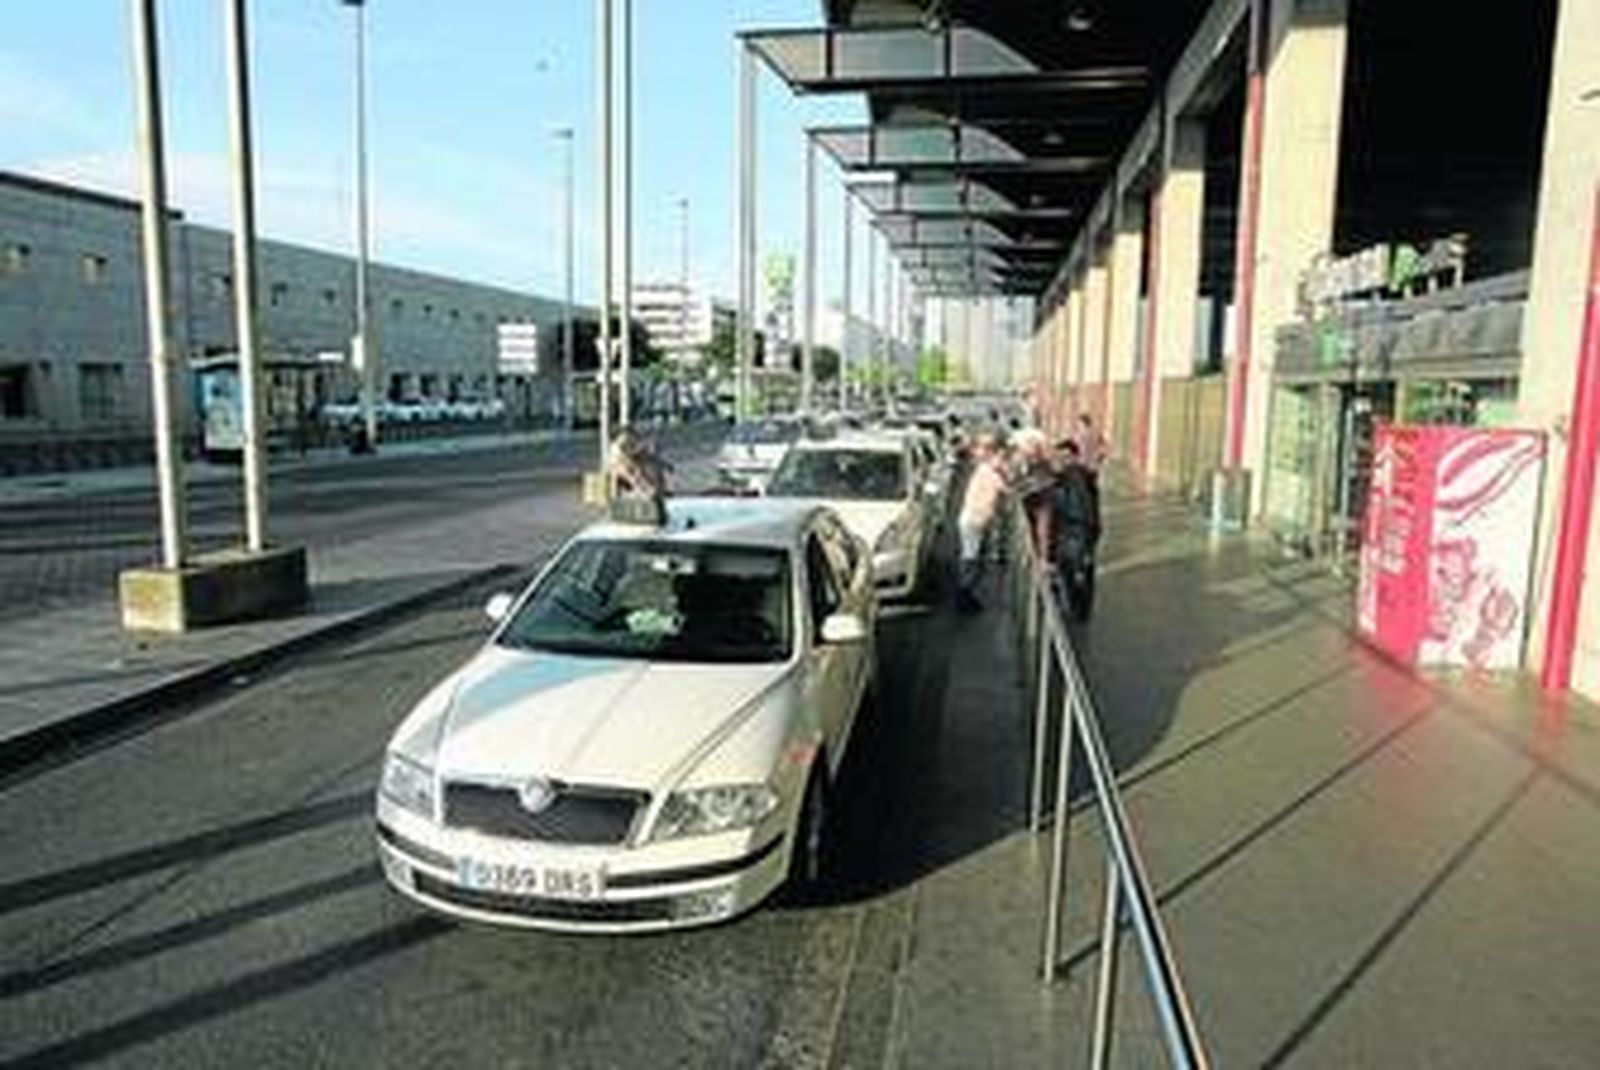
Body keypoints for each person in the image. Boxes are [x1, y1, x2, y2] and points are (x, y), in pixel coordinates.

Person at [954, 432, 1008, 613]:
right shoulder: (989, 472)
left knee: (972, 557)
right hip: (974, 520)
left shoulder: (984, 470)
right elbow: (1007, 489)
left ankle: (966, 593)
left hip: (974, 520)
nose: (1003, 462)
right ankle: (964, 594)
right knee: (971, 558)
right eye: (1000, 457)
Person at [1050, 439, 1102, 621]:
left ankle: (1078, 610)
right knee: (1078, 571)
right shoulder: (1078, 476)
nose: (1060, 461)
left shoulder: (1074, 477)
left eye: (1064, 457)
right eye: (1058, 457)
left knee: (1074, 571)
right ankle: (1079, 610)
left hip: (1074, 530)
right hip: (1078, 531)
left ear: (1073, 457)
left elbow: (1080, 508)